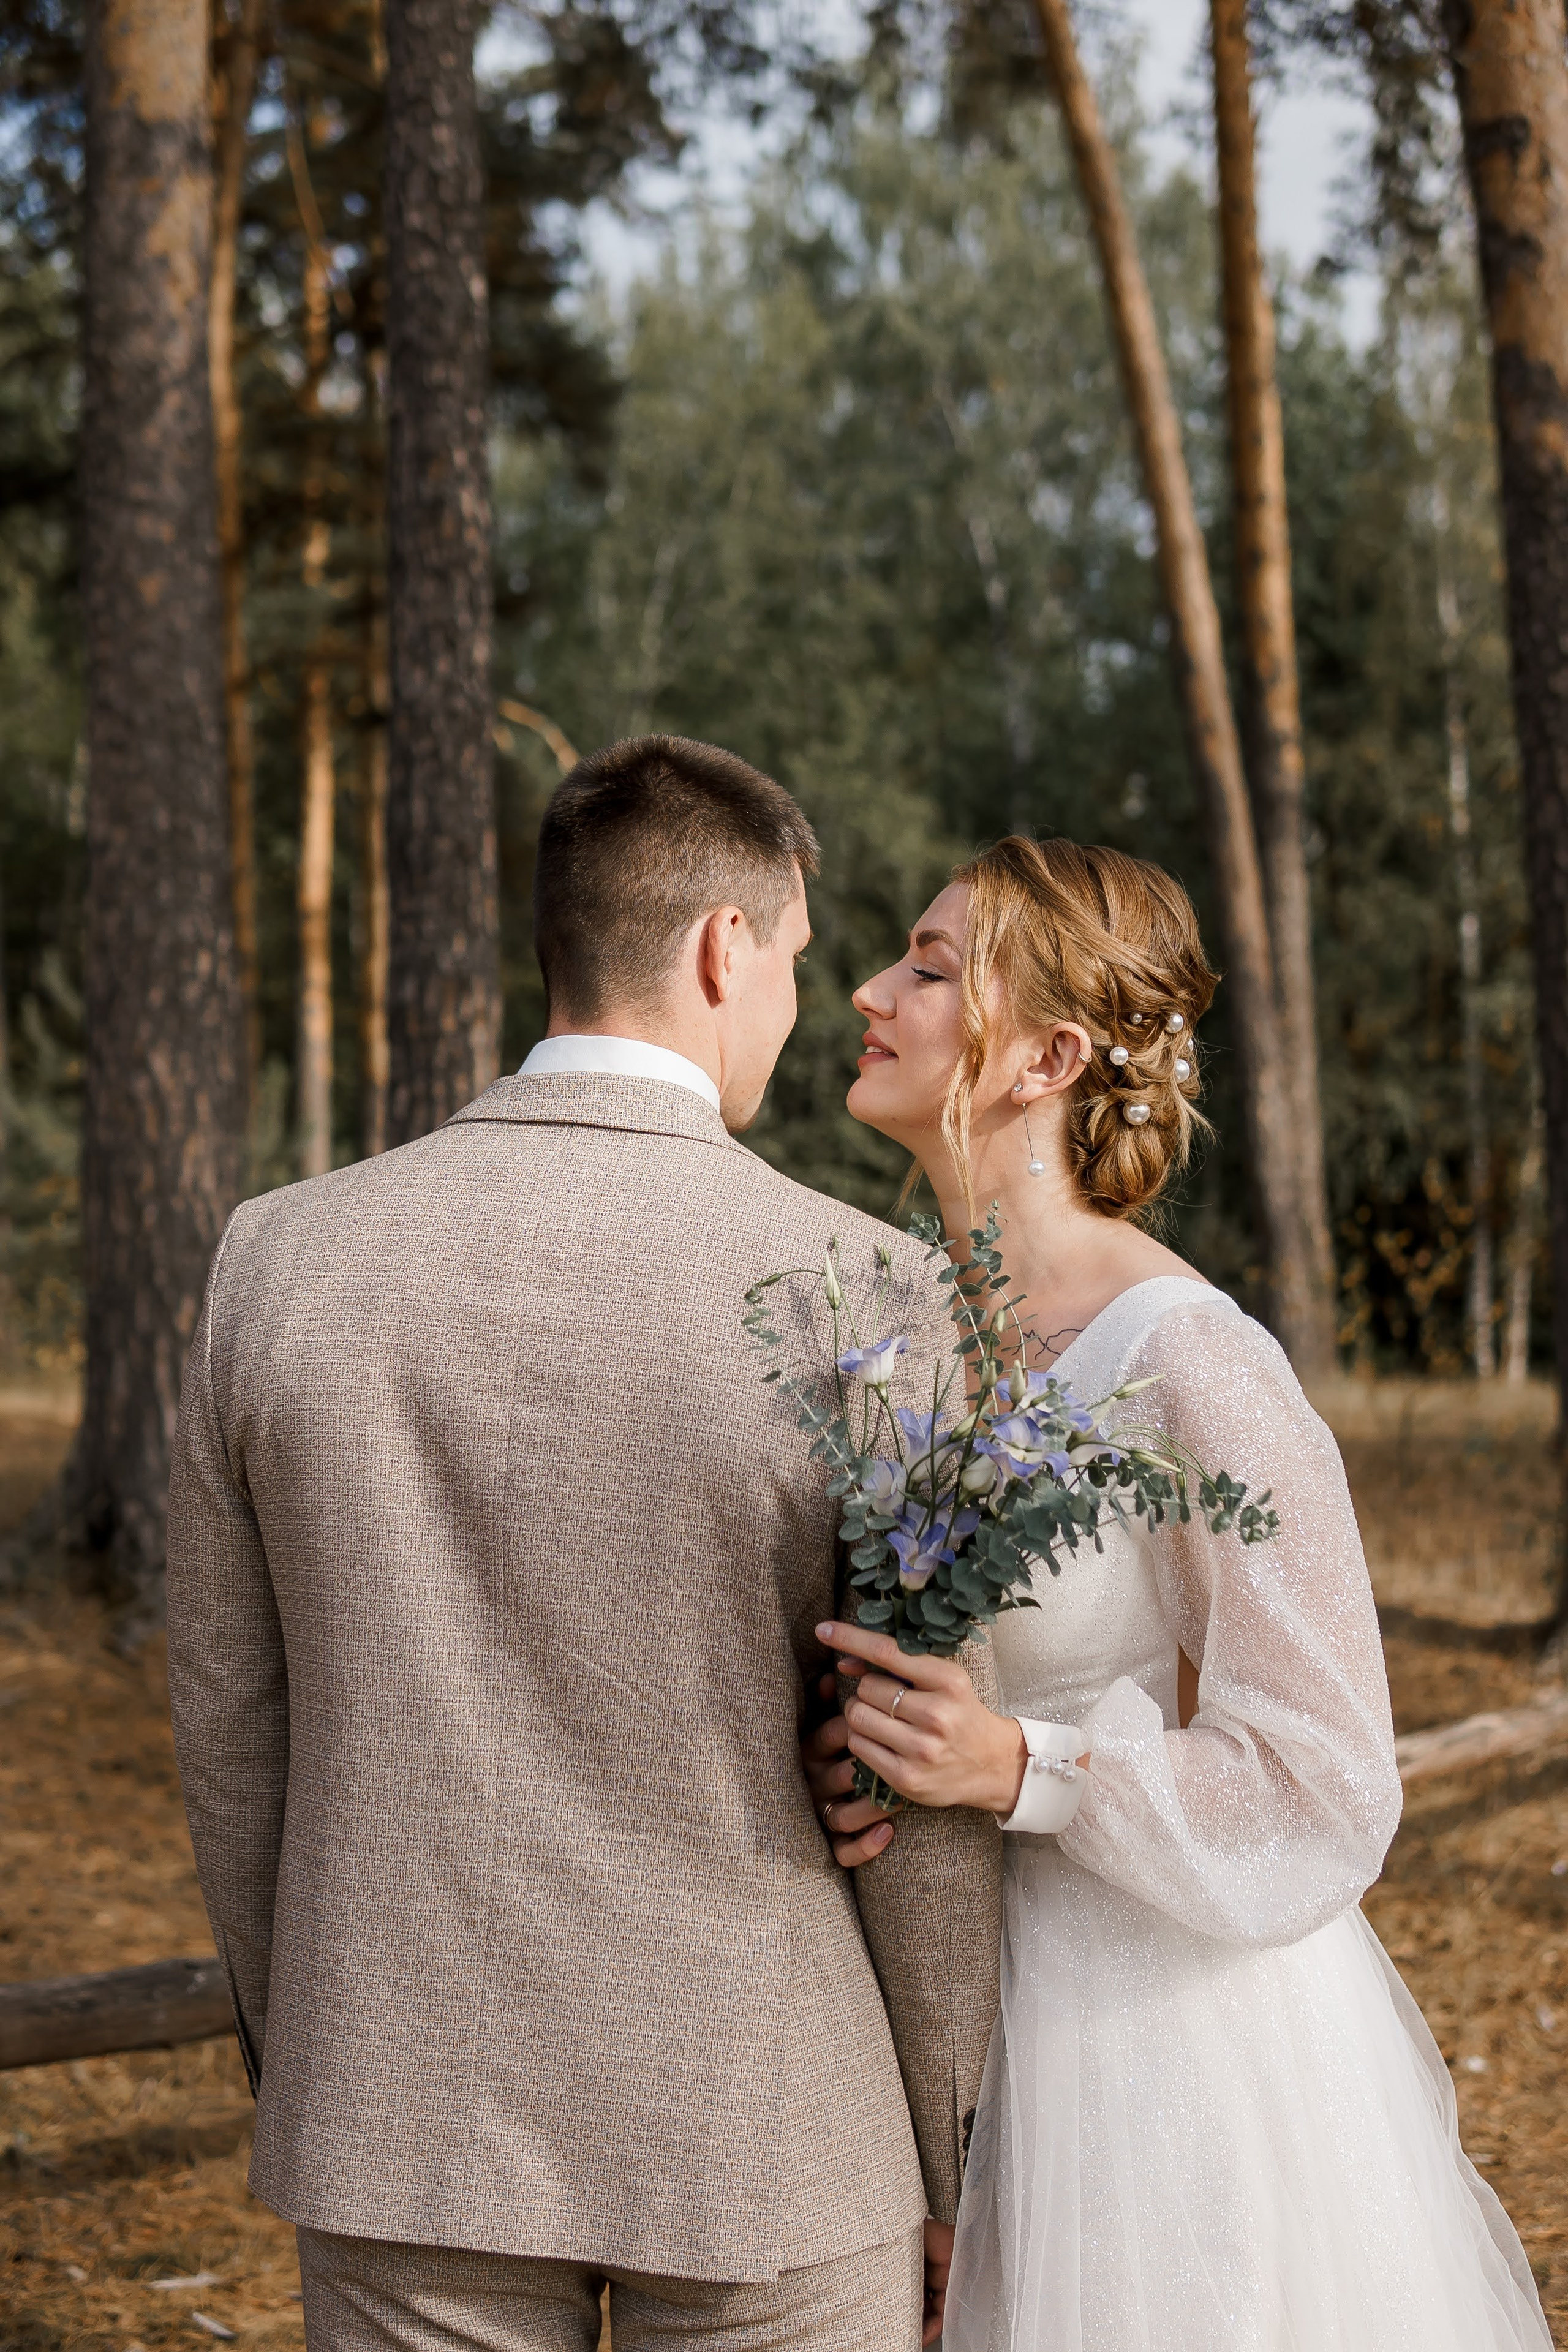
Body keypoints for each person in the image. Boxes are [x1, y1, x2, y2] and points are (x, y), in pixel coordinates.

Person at [165, 736, 1001, 2352]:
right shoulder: (866, 1290)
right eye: (796, 964)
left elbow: (230, 1731)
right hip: (775, 2130)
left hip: (396, 2110)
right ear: (719, 948)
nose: (797, 1009)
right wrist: (954, 2149)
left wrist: (319, 2048)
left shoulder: (275, 1264)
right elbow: (908, 1777)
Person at [802, 834, 1553, 2352]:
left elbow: (1327, 1780)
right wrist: (859, 1747)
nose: (872, 992)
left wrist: (1020, 1767)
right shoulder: (880, 1327)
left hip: (1143, 2051)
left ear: (1051, 1055)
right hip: (909, 2032)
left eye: (932, 970)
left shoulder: (1193, 1363)